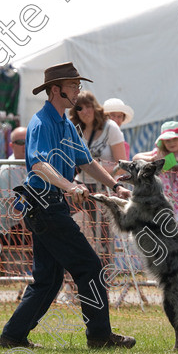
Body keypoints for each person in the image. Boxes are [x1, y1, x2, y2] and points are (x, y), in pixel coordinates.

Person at [0, 62, 135, 349]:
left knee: (48, 278)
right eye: (73, 85)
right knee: (90, 267)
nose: (78, 89)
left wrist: (114, 185)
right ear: (55, 90)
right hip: (45, 206)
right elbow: (38, 164)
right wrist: (70, 186)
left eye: (77, 84)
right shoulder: (41, 123)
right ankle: (99, 336)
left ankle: (13, 336)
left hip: (49, 206)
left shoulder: (66, 125)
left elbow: (86, 161)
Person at [71, 91, 128, 261]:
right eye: (80, 108)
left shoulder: (110, 128)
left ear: (95, 107)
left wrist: (100, 168)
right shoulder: (75, 130)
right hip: (80, 189)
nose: (85, 112)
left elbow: (122, 165)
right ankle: (76, 281)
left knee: (103, 238)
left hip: (105, 190)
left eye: (88, 106)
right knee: (78, 233)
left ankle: (105, 280)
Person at [134, 121, 178, 221]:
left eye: (175, 139)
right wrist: (153, 159)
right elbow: (136, 157)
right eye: (167, 140)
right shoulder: (159, 153)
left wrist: (173, 160)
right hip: (164, 195)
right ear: (163, 142)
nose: (171, 142)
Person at [0, 127, 31, 275]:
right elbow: (17, 209)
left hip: (26, 222)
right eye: (20, 142)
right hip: (11, 227)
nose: (25, 145)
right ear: (11, 146)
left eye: (28, 141)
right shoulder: (9, 169)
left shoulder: (34, 164)